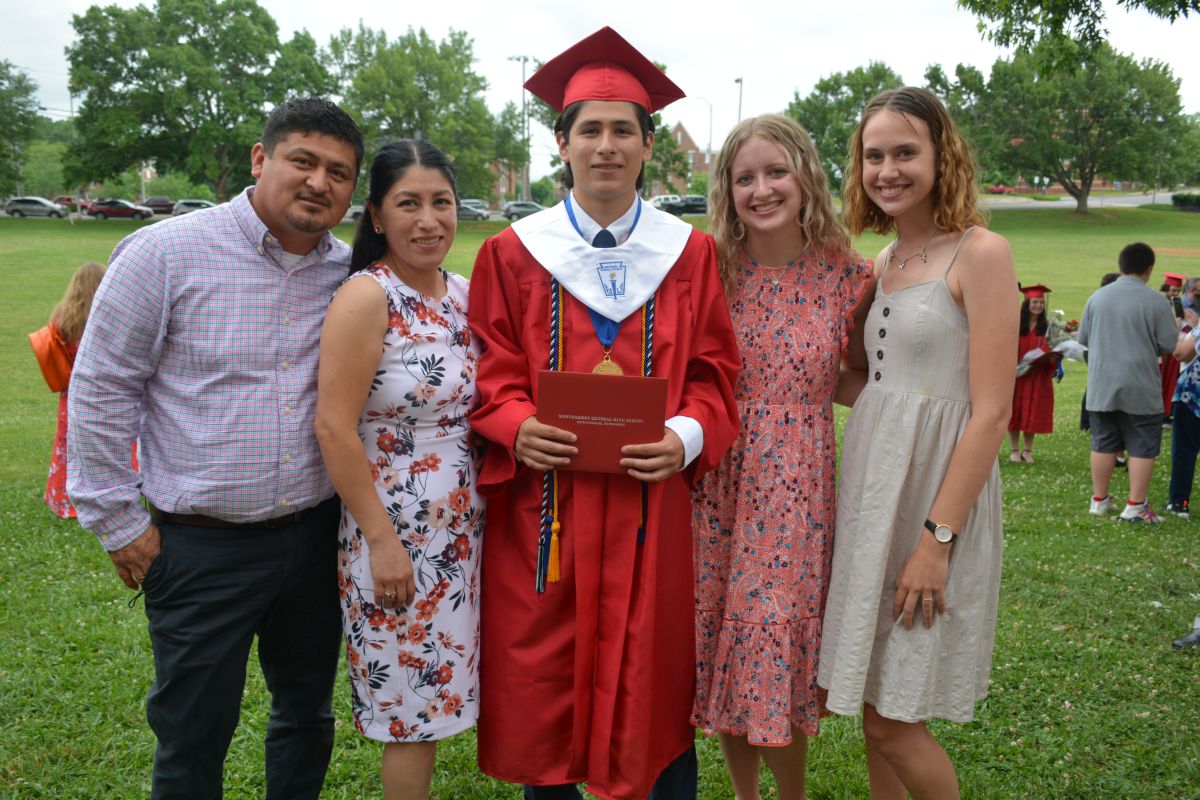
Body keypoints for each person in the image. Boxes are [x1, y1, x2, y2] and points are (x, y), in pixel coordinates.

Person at [467, 27, 741, 800]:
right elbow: (489, 370)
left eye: (624, 130)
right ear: (562, 142)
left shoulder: (689, 254)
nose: (607, 146)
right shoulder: (513, 253)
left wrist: (684, 437)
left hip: (649, 509)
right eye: (590, 129)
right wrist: (517, 425)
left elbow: (716, 373)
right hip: (546, 511)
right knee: (545, 685)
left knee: (651, 685)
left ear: (649, 146)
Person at [67, 97, 364, 799]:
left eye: (339, 172)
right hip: (201, 546)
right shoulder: (165, 253)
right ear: (261, 159)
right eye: (303, 161)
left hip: (316, 537)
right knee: (193, 733)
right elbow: (103, 386)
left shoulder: (350, 276)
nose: (318, 182)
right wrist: (118, 523)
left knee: (305, 716)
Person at [817, 87, 1017, 800]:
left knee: (893, 724)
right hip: (876, 498)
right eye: (874, 156)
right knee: (878, 701)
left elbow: (992, 413)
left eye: (905, 152)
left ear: (942, 155)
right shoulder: (882, 263)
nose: (888, 170)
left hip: (936, 501)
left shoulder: (981, 252)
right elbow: (868, 383)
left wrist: (937, 541)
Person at [690, 114, 872, 800]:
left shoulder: (849, 275)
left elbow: (855, 377)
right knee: (726, 644)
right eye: (745, 178)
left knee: (771, 641)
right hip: (717, 482)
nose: (761, 189)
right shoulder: (707, 270)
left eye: (776, 172)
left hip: (796, 484)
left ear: (806, 177)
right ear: (727, 189)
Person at [315, 139, 482, 800]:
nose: (428, 220)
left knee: (438, 699)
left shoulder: (463, 294)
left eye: (442, 202)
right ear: (378, 216)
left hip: (461, 536)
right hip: (395, 537)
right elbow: (333, 427)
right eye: (408, 204)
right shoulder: (366, 297)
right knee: (410, 714)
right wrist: (382, 543)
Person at [1078, 242, 1177, 523]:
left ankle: (1099, 499)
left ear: (1120, 265)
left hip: (1102, 381)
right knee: (1143, 443)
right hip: (1140, 381)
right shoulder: (1157, 301)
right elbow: (1168, 344)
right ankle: (1135, 505)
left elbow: (1083, 338)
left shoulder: (1097, 297)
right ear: (1149, 269)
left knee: (1103, 441)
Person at [36, 261, 105, 518]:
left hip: (72, 395)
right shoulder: (107, 317)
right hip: (104, 394)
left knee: (67, 448)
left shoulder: (63, 318)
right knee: (107, 447)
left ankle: (63, 501)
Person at [1008, 284, 1058, 463]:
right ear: (1027, 303)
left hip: (1038, 375)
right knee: (1015, 410)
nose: (1038, 305)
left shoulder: (1048, 327)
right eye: (1035, 302)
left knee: (1033, 410)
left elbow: (1053, 349)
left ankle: (1028, 451)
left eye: (1041, 302)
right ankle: (1014, 450)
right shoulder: (1015, 324)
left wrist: (1053, 357)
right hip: (1017, 375)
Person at [1165, 306, 1200, 517]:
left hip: (1193, 395)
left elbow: (1180, 353)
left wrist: (1183, 328)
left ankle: (1179, 502)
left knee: (1185, 449)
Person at [1160, 272, 1187, 424]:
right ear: (1166, 288)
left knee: (1172, 380)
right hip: (1165, 347)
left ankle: (1168, 411)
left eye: (1178, 291)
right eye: (1173, 290)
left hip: (1175, 348)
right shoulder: (1160, 304)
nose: (1175, 294)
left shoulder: (1177, 304)